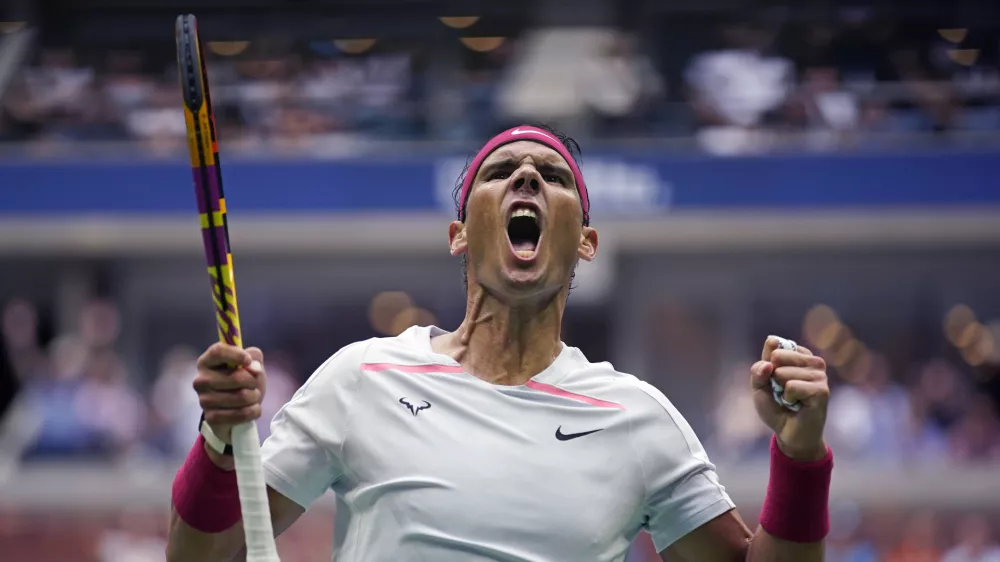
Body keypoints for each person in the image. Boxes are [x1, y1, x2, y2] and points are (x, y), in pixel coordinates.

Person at [166, 124, 834, 562]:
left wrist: (799, 457)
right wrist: (221, 442)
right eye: (502, 170)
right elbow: (202, 555)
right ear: (458, 234)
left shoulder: (637, 419)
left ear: (587, 243)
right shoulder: (361, 377)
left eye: (554, 175)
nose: (527, 178)